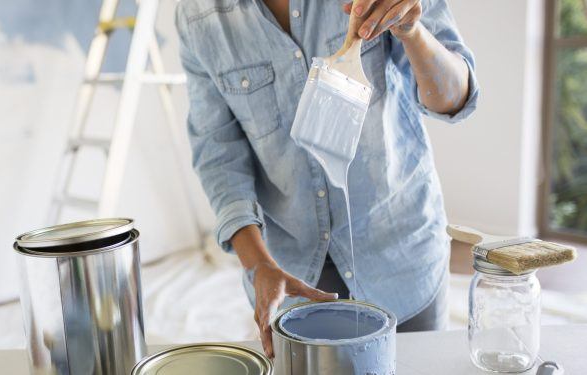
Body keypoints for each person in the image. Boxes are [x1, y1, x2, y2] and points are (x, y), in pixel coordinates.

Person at [175, 0, 478, 358]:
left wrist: (412, 30)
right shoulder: (197, 16)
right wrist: (258, 265)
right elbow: (218, 155)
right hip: (294, 277)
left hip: (401, 258)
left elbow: (455, 98)